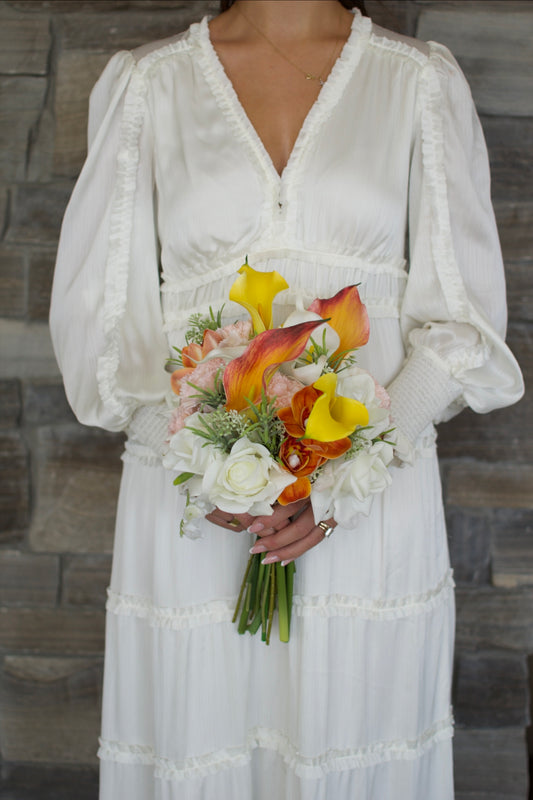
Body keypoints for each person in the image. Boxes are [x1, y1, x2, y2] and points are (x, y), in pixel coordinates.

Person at [49, 1, 524, 797]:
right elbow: (106, 326)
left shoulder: (416, 81)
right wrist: (202, 460)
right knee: (201, 742)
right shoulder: (147, 85)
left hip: (370, 502)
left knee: (354, 741)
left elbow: (461, 320)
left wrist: (340, 480)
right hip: (200, 512)